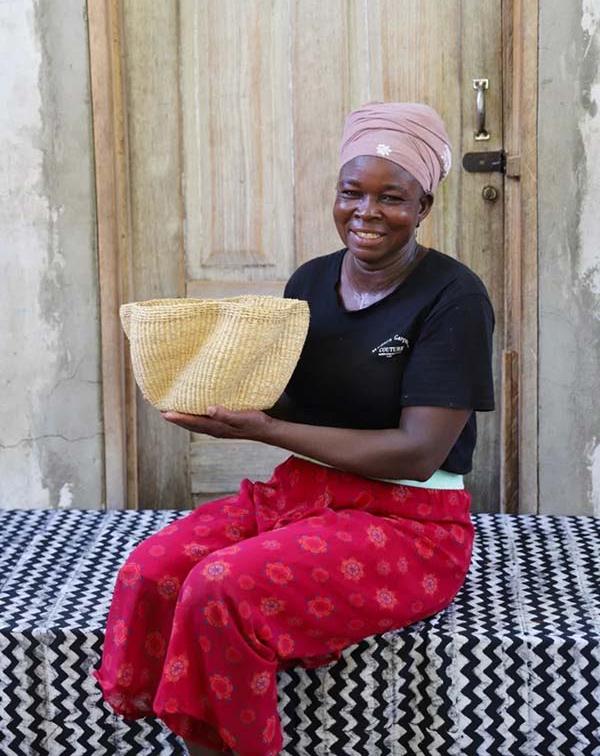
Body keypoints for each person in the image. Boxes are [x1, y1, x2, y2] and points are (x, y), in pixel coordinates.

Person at [94, 102, 495, 756]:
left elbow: (420, 453)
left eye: (392, 197)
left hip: (411, 522)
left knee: (221, 588)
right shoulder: (310, 281)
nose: (366, 212)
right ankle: (171, 732)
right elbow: (281, 392)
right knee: (153, 567)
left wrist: (262, 431)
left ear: (424, 205)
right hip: (302, 497)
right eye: (351, 192)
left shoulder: (454, 297)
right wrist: (204, 377)